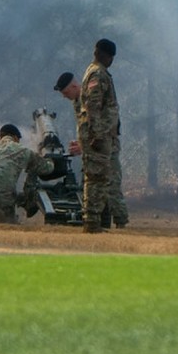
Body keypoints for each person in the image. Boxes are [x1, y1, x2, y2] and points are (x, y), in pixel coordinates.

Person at [55, 69, 128, 229]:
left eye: (65, 92)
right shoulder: (78, 102)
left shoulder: (92, 100)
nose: (64, 96)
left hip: (107, 150)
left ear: (75, 86)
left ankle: (121, 223)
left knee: (111, 186)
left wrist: (84, 145)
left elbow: (106, 126)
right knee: (95, 187)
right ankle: (100, 222)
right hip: (92, 151)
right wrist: (82, 143)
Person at [77, 38, 120, 233]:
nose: (111, 60)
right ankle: (92, 222)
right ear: (103, 54)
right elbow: (93, 106)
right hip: (98, 135)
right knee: (96, 177)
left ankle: (94, 220)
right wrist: (97, 134)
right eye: (110, 57)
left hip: (101, 134)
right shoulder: (98, 74)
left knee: (99, 177)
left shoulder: (96, 72)